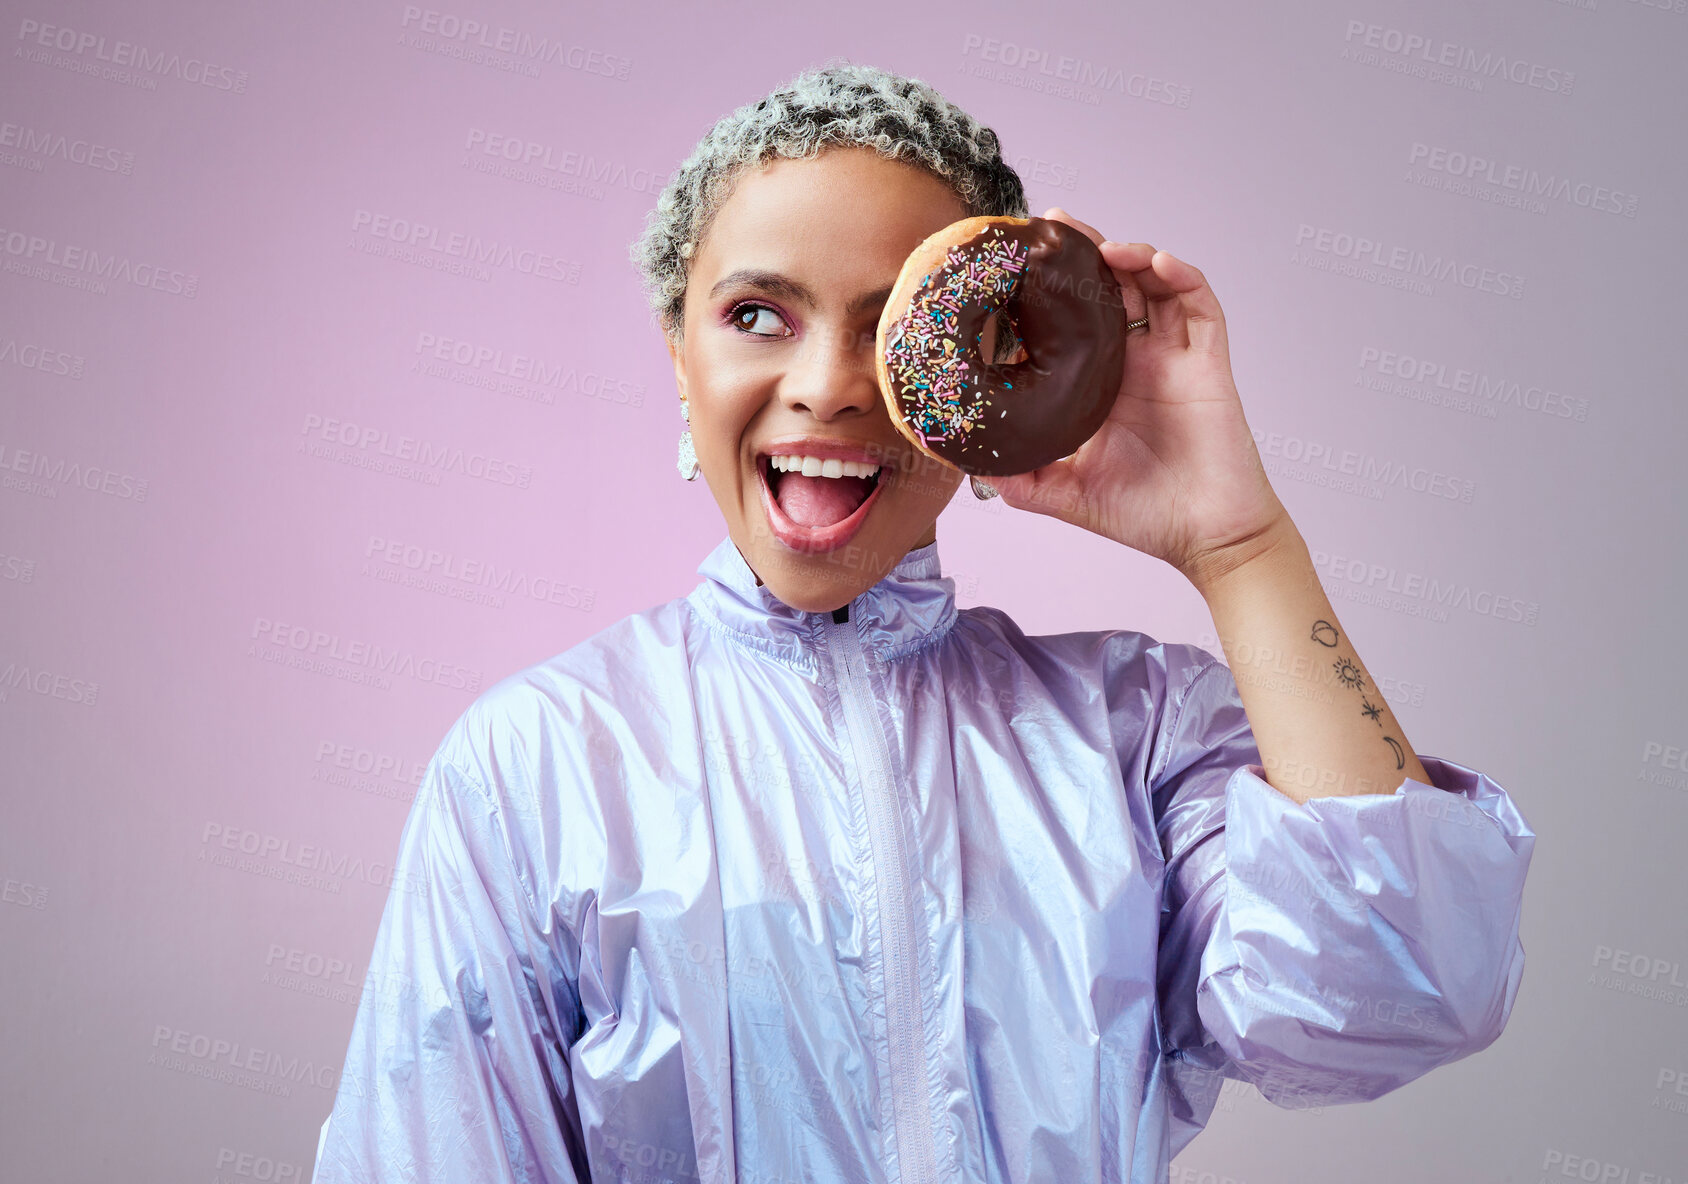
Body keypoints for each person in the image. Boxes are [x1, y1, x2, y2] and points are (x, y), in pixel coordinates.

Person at [310, 61, 1534, 1184]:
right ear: (677, 356)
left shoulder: (1133, 733)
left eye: (891, 324)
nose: (830, 383)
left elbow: (1392, 992)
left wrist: (1240, 546)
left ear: (993, 374)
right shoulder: (538, 763)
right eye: (755, 314)